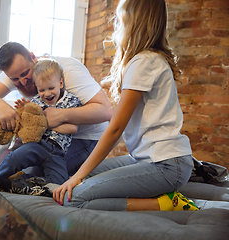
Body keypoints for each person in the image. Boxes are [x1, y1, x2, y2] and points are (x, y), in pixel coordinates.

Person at [53, 0, 199, 211]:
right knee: (81, 176)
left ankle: (166, 203)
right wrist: (79, 175)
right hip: (145, 159)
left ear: (134, 18)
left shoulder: (144, 61)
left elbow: (116, 129)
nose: (116, 22)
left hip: (167, 164)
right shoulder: (146, 60)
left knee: (73, 197)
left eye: (121, 15)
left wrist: (78, 177)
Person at [0, 42, 112, 177]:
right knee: (14, 162)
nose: (23, 82)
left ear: (33, 57)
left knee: (36, 171)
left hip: (86, 137)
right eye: (15, 79)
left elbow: (106, 111)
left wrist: (61, 115)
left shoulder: (68, 70)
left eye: (26, 73)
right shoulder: (15, 70)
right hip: (47, 137)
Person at [0, 59, 81, 187]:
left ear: (60, 83)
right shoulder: (35, 101)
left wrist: (43, 123)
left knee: (58, 182)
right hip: (37, 145)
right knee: (14, 158)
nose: (47, 94)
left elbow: (72, 129)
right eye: (42, 90)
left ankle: (22, 182)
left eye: (51, 88)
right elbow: (29, 124)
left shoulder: (71, 101)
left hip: (58, 151)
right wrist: (26, 111)